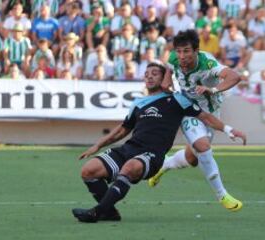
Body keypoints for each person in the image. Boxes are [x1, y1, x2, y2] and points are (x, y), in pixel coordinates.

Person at [72, 62, 247, 223]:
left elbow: (206, 117)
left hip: (152, 154)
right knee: (89, 171)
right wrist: (98, 145)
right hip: (128, 149)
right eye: (146, 74)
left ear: (164, 78)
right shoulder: (138, 102)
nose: (149, 76)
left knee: (129, 168)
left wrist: (229, 130)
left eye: (155, 73)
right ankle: (110, 212)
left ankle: (97, 212)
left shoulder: (178, 99)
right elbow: (122, 129)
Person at [149, 30, 243, 212]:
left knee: (192, 158)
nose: (182, 56)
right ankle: (222, 194)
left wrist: (213, 89)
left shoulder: (208, 63)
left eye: (186, 51)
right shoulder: (174, 58)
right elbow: (169, 69)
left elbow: (234, 76)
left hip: (211, 112)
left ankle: (164, 165)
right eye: (179, 51)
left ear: (196, 51)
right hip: (188, 111)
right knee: (203, 147)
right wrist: (166, 84)